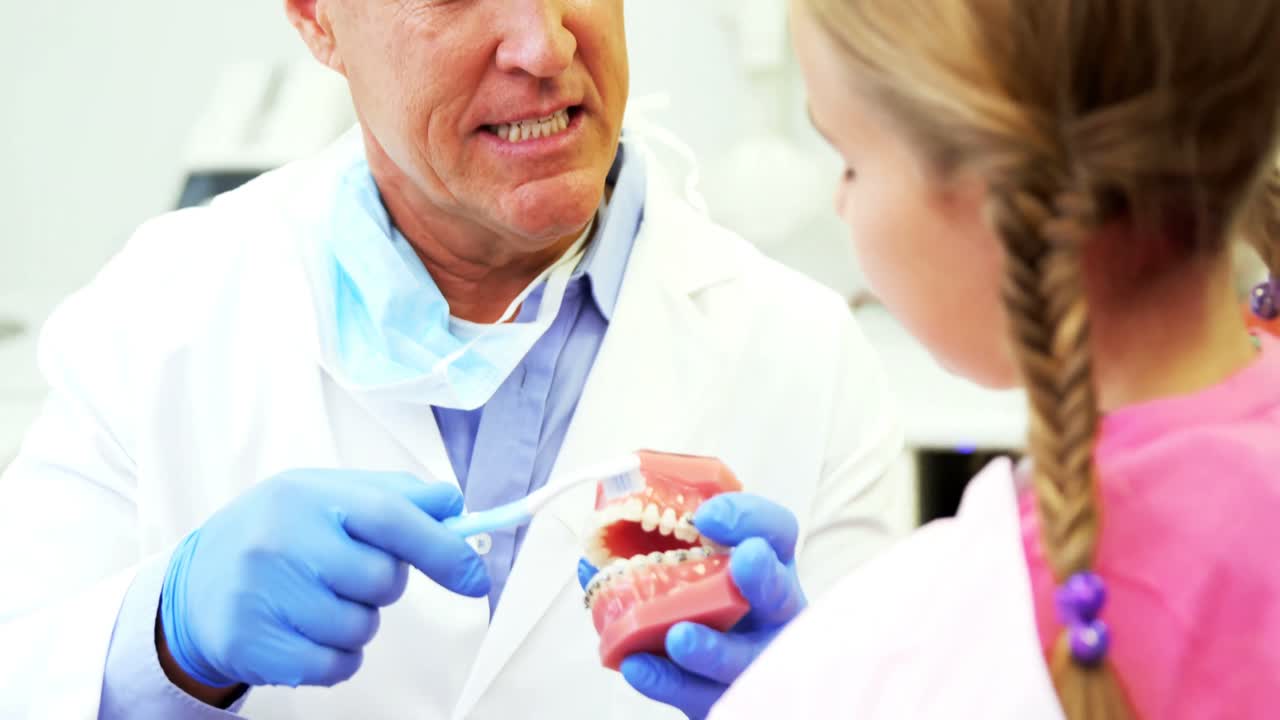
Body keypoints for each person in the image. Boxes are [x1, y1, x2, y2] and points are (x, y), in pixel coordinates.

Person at [0, 1, 904, 719]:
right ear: (317, 18)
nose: (543, 44)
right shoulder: (156, 314)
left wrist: (814, 694)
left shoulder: (806, 354)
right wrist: (165, 639)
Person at [709, 0, 1280, 718]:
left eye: (851, 162)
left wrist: (819, 679)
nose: (841, 203)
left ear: (994, 194)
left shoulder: (920, 652)